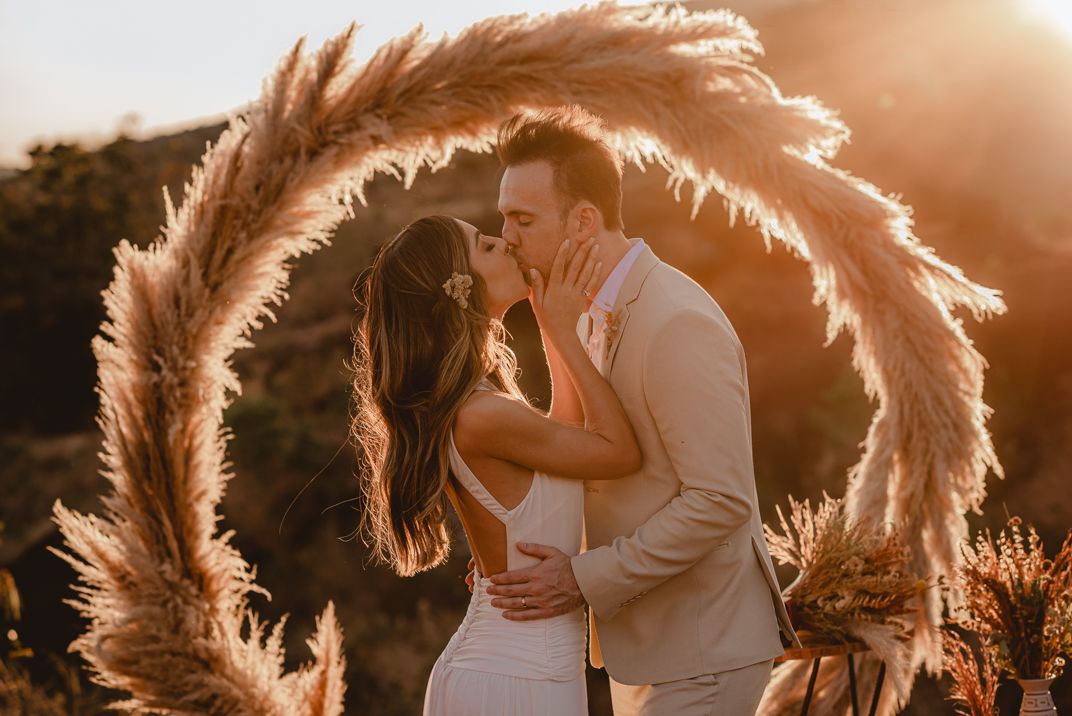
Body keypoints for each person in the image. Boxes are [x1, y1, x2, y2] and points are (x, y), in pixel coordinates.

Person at [483, 107, 800, 716]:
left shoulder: (675, 321)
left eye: (522, 219)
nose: (509, 237)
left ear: (584, 221)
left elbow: (721, 499)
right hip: (647, 643)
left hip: (703, 650)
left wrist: (582, 578)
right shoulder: (589, 312)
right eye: (504, 219)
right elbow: (582, 452)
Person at [351, 214, 642, 715]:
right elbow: (619, 451)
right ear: (458, 291)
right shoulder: (481, 414)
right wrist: (567, 332)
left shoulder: (475, 403)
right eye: (486, 245)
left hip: (517, 670)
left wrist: (553, 322)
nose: (506, 243)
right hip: (515, 679)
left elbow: (567, 437)